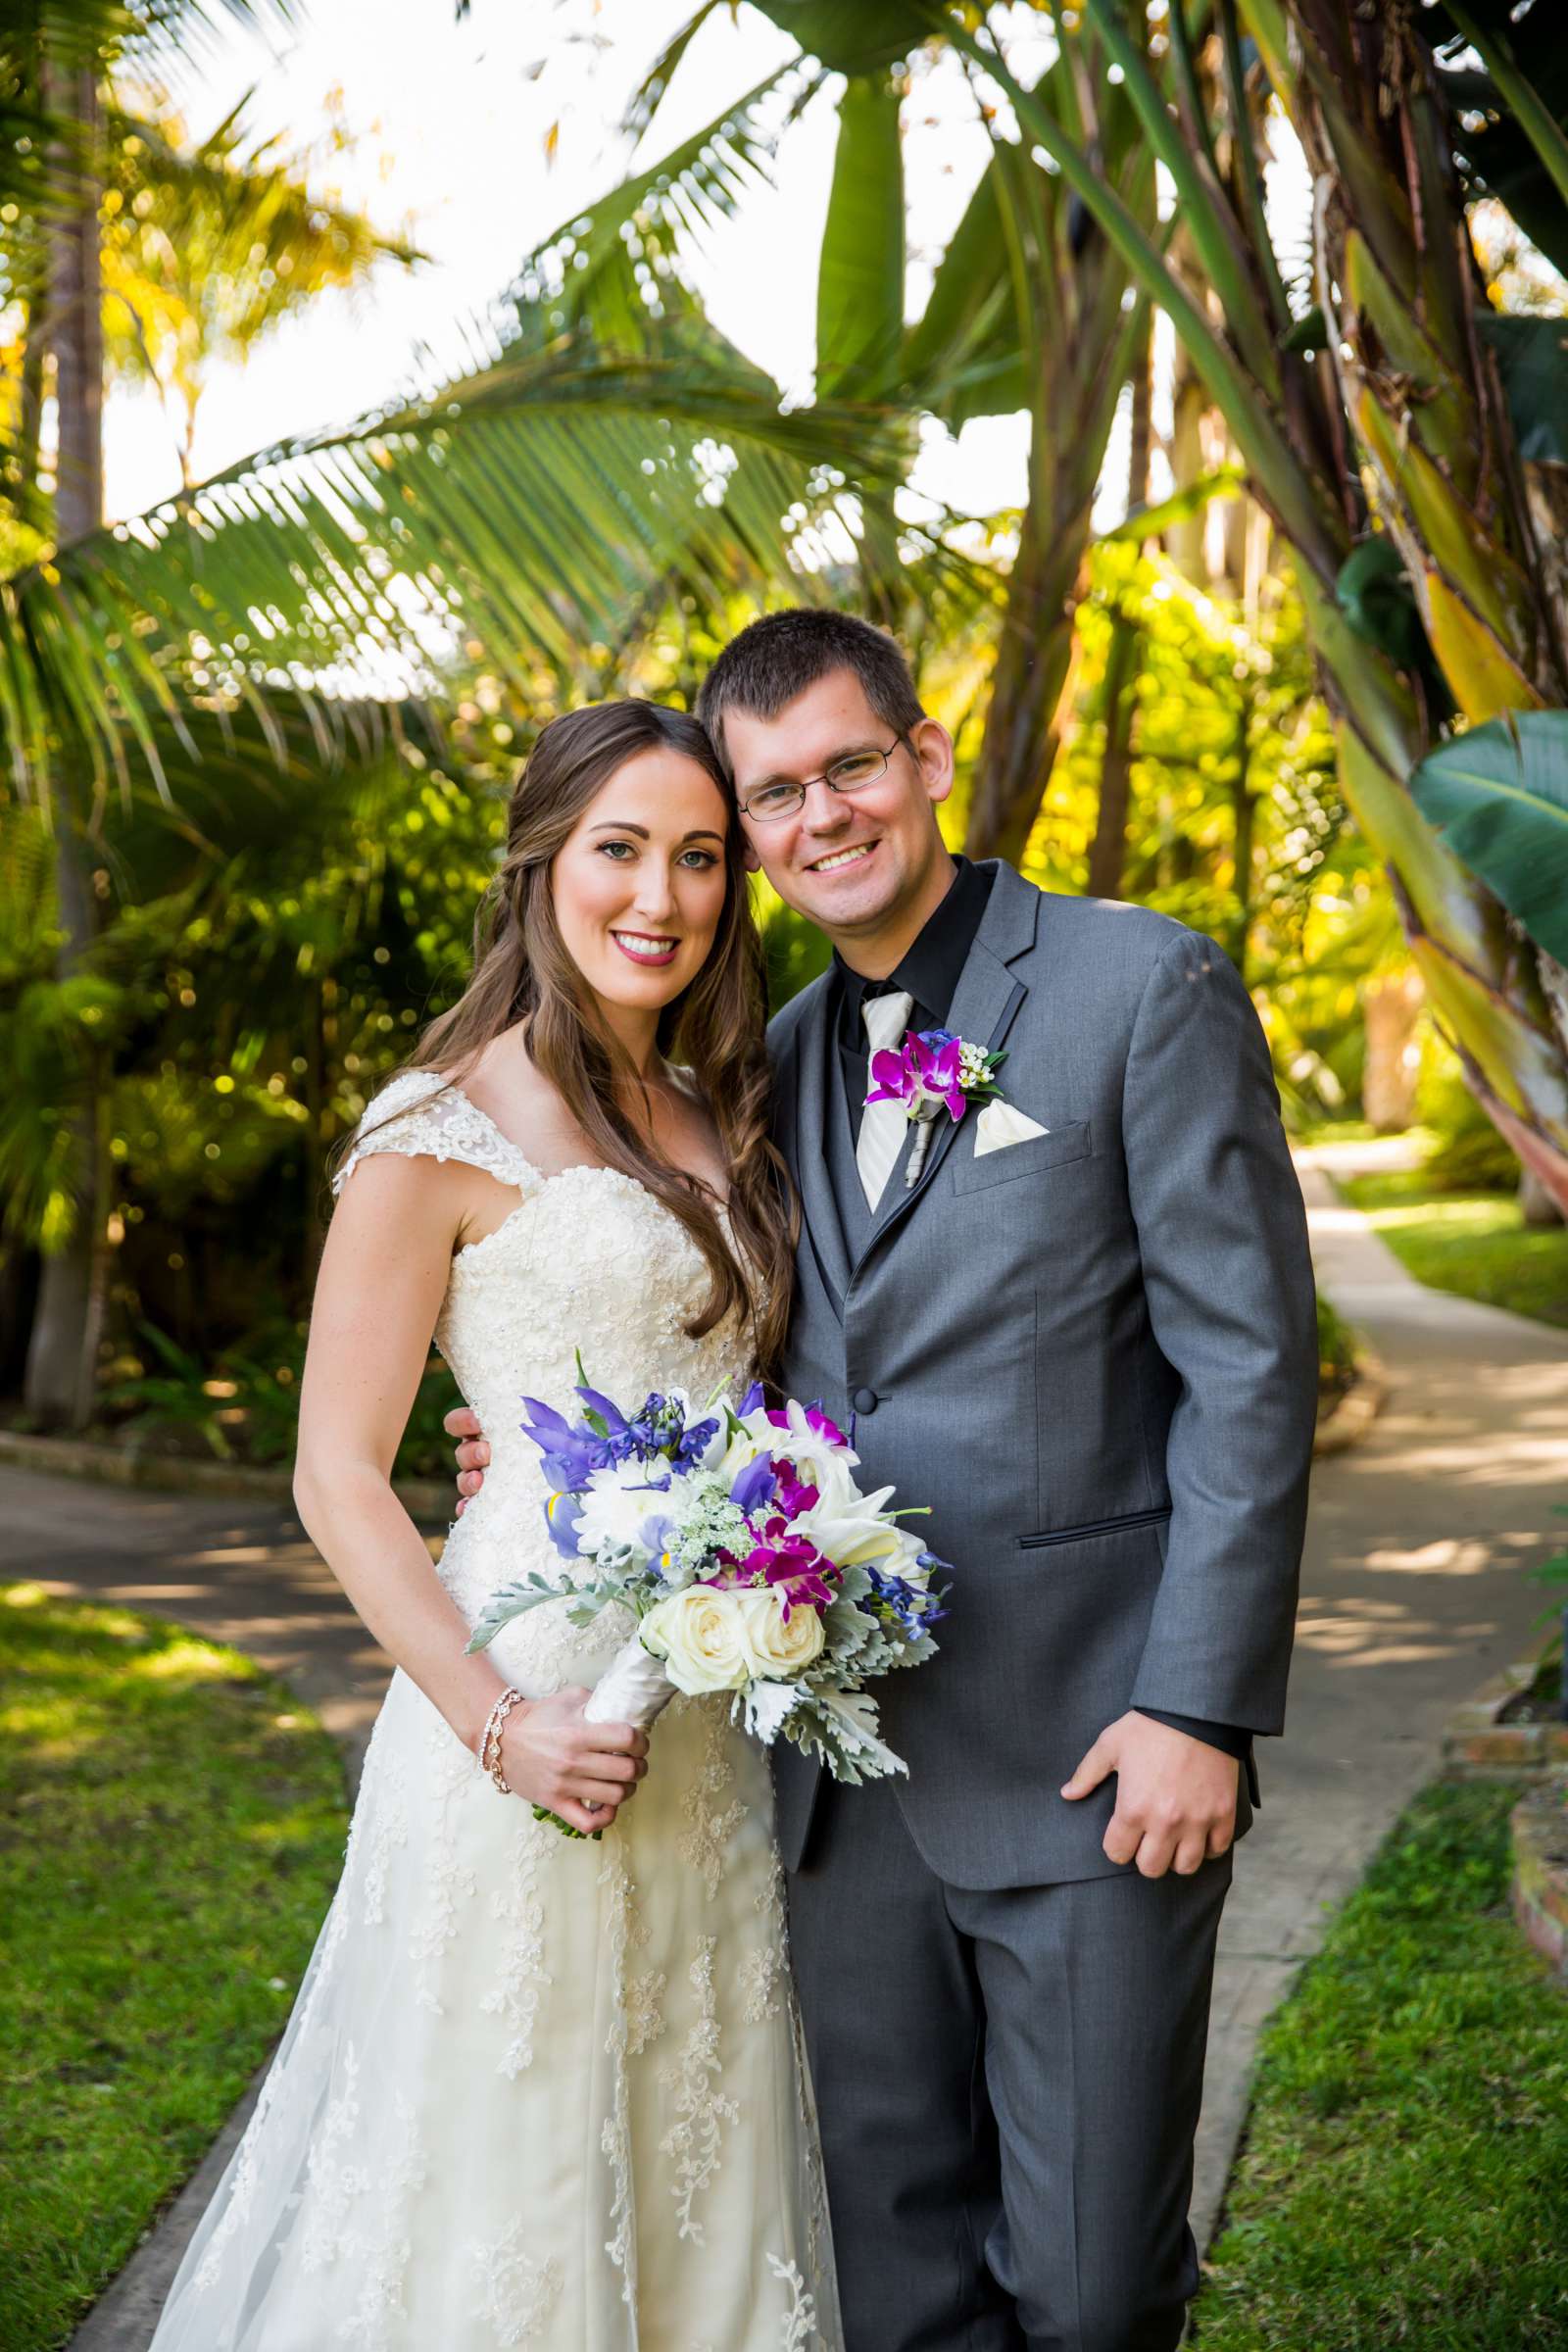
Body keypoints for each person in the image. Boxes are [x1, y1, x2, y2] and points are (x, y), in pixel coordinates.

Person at [453, 612, 1319, 2351]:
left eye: (850, 764)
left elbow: (1249, 1366)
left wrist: (1198, 1709)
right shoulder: (755, 1065)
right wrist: (530, 1432)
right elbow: (736, 1355)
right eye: (771, 795)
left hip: (1092, 1753)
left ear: (926, 758)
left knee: (1086, 2294)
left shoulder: (1135, 986)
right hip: (831, 1794)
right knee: (895, 2283)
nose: (818, 816)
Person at [149, 700, 841, 2352]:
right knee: (499, 2183)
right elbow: (333, 1474)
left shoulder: (715, 1112)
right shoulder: (431, 1130)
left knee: (692, 2150)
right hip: (513, 1724)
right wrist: (504, 1724)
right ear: (541, 859)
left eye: (696, 858)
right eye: (620, 850)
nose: (659, 898)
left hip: (703, 1732)